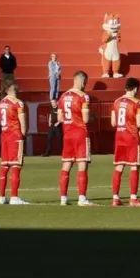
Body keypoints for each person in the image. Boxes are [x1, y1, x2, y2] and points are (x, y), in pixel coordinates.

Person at [58, 70, 94, 206]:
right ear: (82, 81)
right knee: (82, 165)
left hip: (67, 134)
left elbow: (59, 118)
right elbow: (85, 118)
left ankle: (63, 198)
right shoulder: (83, 97)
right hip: (80, 133)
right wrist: (90, 117)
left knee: (66, 165)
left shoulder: (63, 96)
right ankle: (82, 198)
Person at [110, 78, 140, 207]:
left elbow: (113, 123)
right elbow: (139, 123)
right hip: (131, 138)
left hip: (119, 138)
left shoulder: (116, 102)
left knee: (119, 167)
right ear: (136, 88)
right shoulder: (137, 103)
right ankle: (133, 198)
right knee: (134, 166)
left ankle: (115, 198)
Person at [0, 83, 29, 205]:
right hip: (14, 135)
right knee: (16, 165)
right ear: (14, 89)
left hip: (4, 136)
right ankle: (14, 197)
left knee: (4, 166)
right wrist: (23, 134)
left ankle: (2, 197)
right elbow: (22, 122)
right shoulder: (17, 103)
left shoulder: (1, 103)